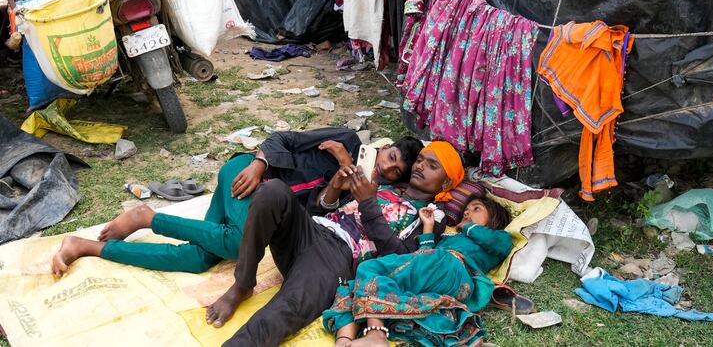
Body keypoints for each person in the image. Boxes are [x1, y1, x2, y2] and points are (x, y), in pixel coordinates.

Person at [50, 128, 423, 277]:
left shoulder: (364, 198)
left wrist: (337, 189)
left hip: (262, 208)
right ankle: (148, 217)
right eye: (388, 156)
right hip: (247, 175)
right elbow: (283, 139)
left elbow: (306, 222)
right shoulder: (345, 138)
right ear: (384, 146)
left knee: (199, 259)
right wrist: (260, 163)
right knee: (235, 242)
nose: (384, 167)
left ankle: (90, 247)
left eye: (392, 172)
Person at [205, 141, 467, 347]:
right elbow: (316, 211)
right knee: (273, 190)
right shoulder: (385, 187)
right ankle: (243, 284)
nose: (420, 166)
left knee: (280, 311)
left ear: (445, 182)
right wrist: (335, 186)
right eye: (420, 160)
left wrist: (367, 204)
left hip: (338, 259)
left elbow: (402, 259)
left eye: (432, 166)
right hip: (312, 231)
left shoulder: (430, 216)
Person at [324, 195, 512, 347]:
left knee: (370, 268)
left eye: (476, 208)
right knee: (353, 288)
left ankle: (376, 335)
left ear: (494, 219)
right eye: (466, 211)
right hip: (438, 275)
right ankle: (344, 341)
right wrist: (428, 227)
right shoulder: (451, 238)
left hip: (452, 267)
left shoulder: (497, 238)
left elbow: (500, 244)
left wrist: (468, 226)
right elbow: (423, 257)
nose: (467, 213)